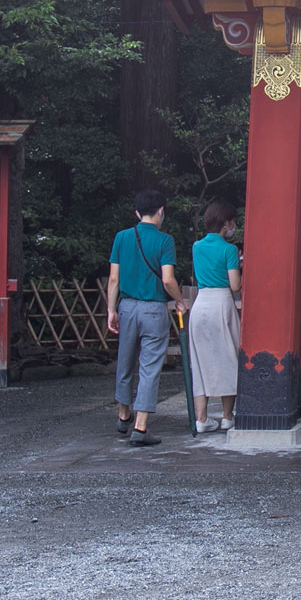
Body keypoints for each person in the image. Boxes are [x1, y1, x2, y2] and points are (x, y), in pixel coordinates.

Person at [106, 187, 183, 447]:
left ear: (137, 212)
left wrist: (111, 309)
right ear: (160, 211)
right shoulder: (164, 241)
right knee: (149, 367)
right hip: (153, 309)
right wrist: (180, 301)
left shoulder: (121, 237)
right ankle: (140, 427)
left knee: (125, 361)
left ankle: (123, 413)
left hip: (127, 306)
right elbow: (168, 279)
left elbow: (114, 278)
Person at [186, 199, 241, 434]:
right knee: (229, 358)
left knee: (199, 361)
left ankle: (201, 418)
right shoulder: (230, 250)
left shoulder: (196, 246)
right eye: (233, 222)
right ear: (225, 223)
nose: (234, 226)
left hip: (200, 303)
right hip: (221, 303)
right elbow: (235, 285)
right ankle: (228, 416)